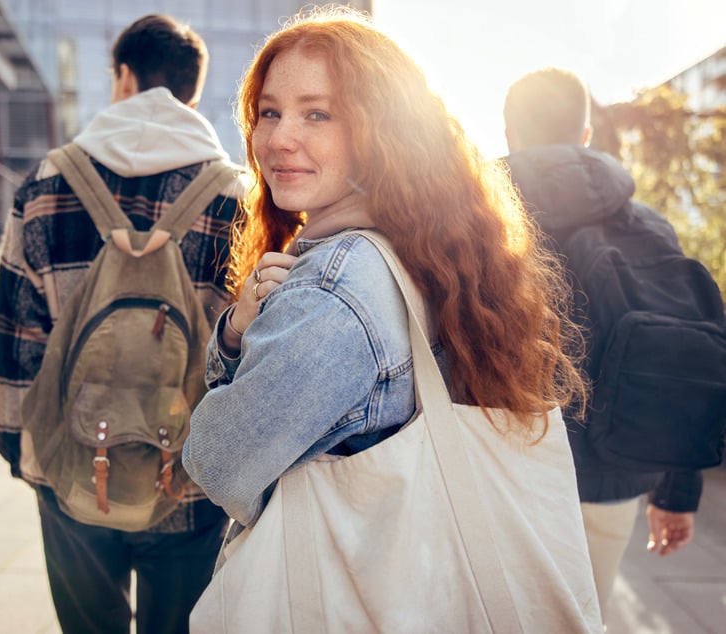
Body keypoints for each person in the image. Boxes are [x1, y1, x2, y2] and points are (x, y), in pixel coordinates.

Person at [181, 6, 585, 534]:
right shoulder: (424, 246)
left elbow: (218, 464)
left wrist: (231, 338)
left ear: (383, 132)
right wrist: (239, 333)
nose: (278, 139)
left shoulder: (335, 288)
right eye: (270, 112)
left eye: (317, 114)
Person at [0, 14, 242, 634]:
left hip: (73, 464)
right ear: (190, 90)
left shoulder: (48, 181)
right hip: (186, 476)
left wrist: (18, 447)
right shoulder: (234, 193)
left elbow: (17, 331)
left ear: (124, 77)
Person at [501, 66, 703, 618]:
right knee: (586, 617)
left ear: (510, 135)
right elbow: (680, 354)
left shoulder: (477, 222)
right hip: (616, 470)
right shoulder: (649, 225)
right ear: (585, 137)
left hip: (502, 471)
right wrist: (675, 491)